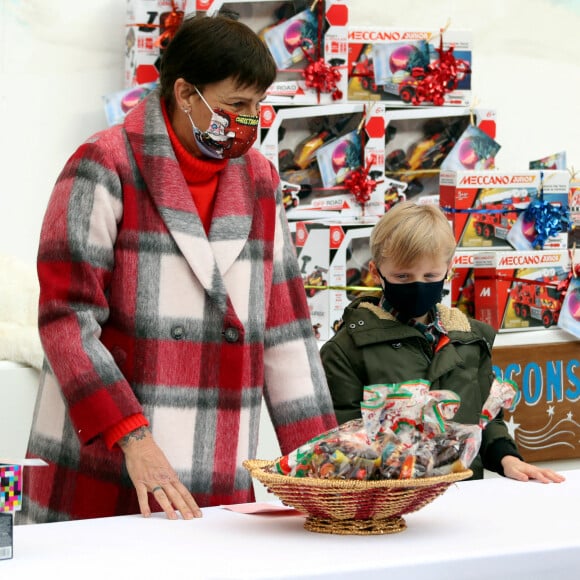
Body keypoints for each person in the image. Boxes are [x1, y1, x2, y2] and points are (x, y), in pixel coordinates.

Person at [18, 14, 337, 524]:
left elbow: (286, 332)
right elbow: (67, 321)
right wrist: (133, 437)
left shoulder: (260, 180)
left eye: (257, 106)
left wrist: (327, 469)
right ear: (186, 93)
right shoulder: (102, 164)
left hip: (216, 457)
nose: (250, 120)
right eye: (236, 105)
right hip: (111, 455)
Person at [320, 201, 564, 484]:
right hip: (390, 503)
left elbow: (487, 416)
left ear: (448, 270)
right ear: (376, 272)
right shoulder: (346, 350)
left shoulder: (470, 340)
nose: (418, 285)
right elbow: (344, 441)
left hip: (466, 499)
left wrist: (506, 457)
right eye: (402, 276)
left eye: (430, 276)